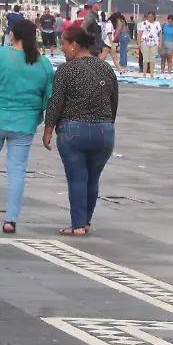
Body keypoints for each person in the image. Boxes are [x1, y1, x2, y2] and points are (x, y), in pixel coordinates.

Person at [0, 19, 53, 234]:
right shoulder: (43, 63)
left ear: (12, 35)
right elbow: (49, 96)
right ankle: (10, 220)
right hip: (25, 122)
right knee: (17, 170)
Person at [42, 25, 117, 236]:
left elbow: (55, 102)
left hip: (73, 131)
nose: (62, 49)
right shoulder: (106, 68)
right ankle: (86, 222)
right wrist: (107, 123)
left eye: (64, 45)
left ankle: (77, 225)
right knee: (93, 179)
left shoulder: (66, 70)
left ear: (74, 45)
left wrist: (48, 129)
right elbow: (114, 102)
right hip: (104, 131)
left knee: (77, 178)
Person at [137, 12, 161, 78]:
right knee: (145, 59)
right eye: (148, 16)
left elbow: (160, 34)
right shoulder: (144, 23)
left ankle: (151, 73)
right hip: (145, 42)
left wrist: (160, 43)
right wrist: (139, 43)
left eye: (151, 16)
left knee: (152, 59)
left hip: (154, 43)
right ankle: (144, 73)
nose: (150, 18)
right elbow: (140, 33)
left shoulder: (157, 23)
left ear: (154, 17)